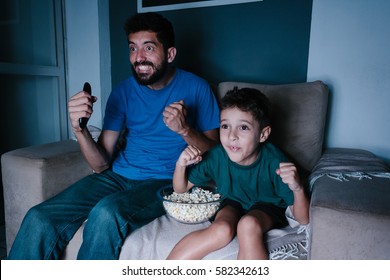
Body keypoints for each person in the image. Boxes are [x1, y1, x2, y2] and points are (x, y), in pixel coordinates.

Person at [8, 12, 220, 260]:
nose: (138, 58)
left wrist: (185, 130)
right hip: (117, 176)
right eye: (133, 48)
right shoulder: (122, 92)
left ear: (170, 54)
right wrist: (80, 129)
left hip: (167, 180)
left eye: (148, 48)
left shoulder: (198, 88)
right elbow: (100, 164)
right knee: (39, 217)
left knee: (106, 213)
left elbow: (217, 155)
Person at [166, 87, 310, 260]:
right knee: (221, 229)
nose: (231, 136)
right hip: (232, 202)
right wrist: (180, 164)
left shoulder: (276, 163)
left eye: (243, 127)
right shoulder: (217, 156)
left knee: (248, 225)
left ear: (263, 134)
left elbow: (303, 219)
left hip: (267, 206)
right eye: (225, 126)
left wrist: (298, 188)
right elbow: (180, 190)